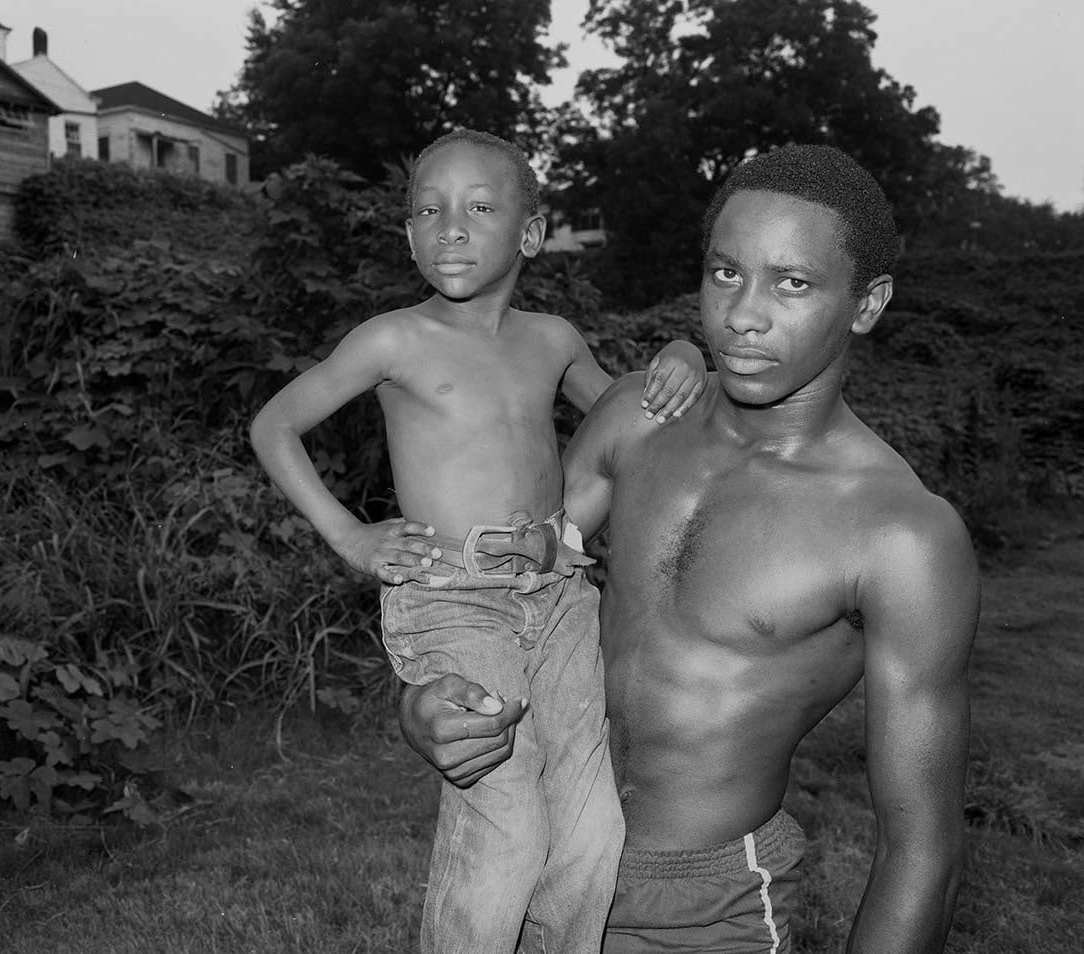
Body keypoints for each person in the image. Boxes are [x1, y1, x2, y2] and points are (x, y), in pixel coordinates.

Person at [400, 144, 981, 953]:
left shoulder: (901, 534)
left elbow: (923, 850)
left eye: (793, 283)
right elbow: (498, 590)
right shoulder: (637, 420)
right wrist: (425, 704)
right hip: (544, 854)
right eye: (724, 273)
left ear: (867, 302)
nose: (743, 313)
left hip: (703, 909)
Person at [249, 128, 708, 954]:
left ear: (529, 234)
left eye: (479, 208)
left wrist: (680, 355)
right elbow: (275, 423)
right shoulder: (393, 338)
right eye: (428, 210)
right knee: (506, 826)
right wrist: (349, 536)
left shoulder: (554, 339)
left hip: (561, 596)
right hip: (453, 599)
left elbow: (633, 425)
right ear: (409, 232)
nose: (450, 227)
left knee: (594, 828)